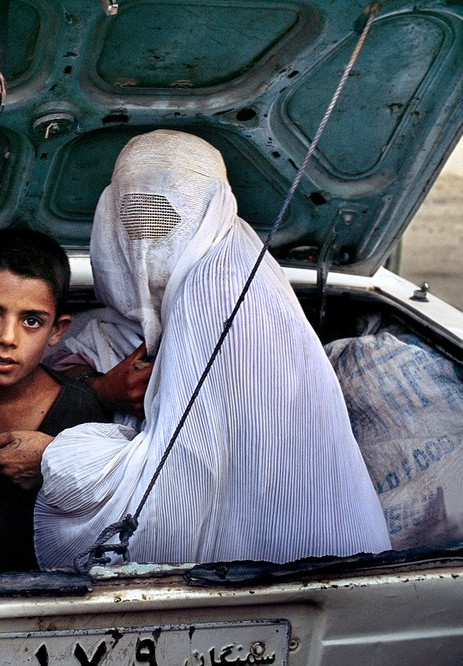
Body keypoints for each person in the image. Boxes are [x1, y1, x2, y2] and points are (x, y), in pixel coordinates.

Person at [35, 129, 391, 569]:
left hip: (278, 557)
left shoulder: (219, 291)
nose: (148, 232)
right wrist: (98, 387)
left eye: (166, 213)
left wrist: (53, 455)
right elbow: (74, 359)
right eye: (133, 213)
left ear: (213, 209)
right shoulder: (143, 309)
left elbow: (181, 480)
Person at [0, 228, 108, 577]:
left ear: (57, 331)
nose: (7, 338)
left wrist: (55, 461)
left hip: (37, 596)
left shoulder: (78, 410)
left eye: (31, 321)